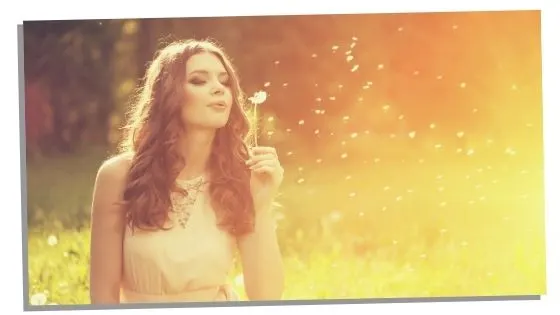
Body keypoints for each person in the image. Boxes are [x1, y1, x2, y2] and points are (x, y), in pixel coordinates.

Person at [88, 38, 285, 304]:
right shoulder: (118, 176)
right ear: (170, 96)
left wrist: (261, 205)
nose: (218, 89)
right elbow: (102, 296)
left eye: (224, 81)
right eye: (199, 81)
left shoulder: (240, 178)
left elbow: (267, 296)